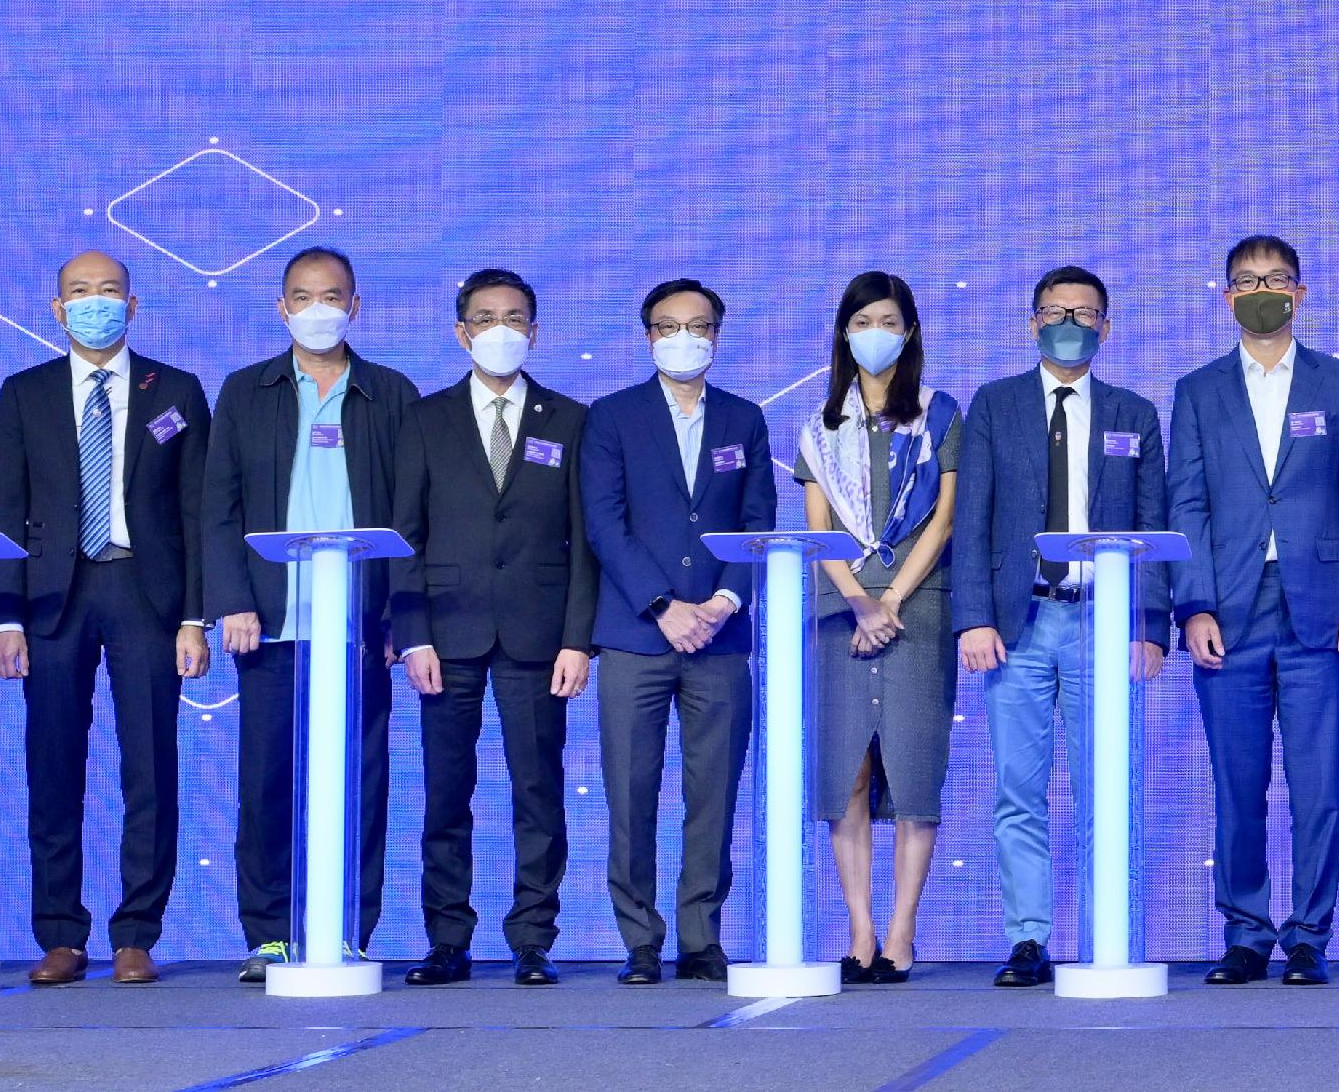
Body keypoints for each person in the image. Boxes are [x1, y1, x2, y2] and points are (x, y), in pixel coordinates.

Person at [0, 252, 209, 987]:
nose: (95, 303)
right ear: (57, 309)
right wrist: (3, 617)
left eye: (109, 291)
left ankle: (137, 932)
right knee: (52, 766)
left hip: (147, 591)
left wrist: (195, 616)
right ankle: (61, 933)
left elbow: (198, 511)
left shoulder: (175, 389)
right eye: (80, 292)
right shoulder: (25, 391)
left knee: (151, 765)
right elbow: (3, 507)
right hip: (53, 595)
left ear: (132, 305)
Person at [1163, 235, 1339, 987]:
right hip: (1228, 608)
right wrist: (1193, 604)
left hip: (1319, 607)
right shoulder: (1198, 389)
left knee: (1317, 786)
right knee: (1238, 784)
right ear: (1227, 296)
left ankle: (1310, 934)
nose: (1263, 291)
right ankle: (1246, 932)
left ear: (1300, 292)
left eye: (1276, 279)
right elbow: (1186, 503)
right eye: (1248, 281)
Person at [194, 245, 415, 981]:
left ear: (355, 306)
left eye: (332, 297)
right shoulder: (245, 390)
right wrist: (231, 599)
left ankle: (348, 929)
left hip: (359, 628)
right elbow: (218, 506)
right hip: (270, 622)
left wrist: (399, 616)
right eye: (303, 297)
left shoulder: (390, 392)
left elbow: (412, 512)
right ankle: (270, 933)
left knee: (362, 783)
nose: (318, 309)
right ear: (281, 307)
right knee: (267, 782)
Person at [952, 266, 1169, 989]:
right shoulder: (995, 403)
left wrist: (1151, 625)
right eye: (1055, 311)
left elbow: (1153, 526)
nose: (1069, 323)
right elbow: (972, 517)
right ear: (1032, 322)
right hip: (1017, 622)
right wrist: (973, 617)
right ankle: (1028, 937)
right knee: (1018, 789)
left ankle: (1110, 933)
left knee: (1106, 786)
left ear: (1106, 326)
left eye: (1084, 312)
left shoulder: (1134, 413)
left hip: (1103, 621)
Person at [384, 267, 593, 987]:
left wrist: (577, 638)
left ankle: (533, 937)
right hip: (446, 634)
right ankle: (447, 938)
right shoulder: (425, 417)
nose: (500, 330)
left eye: (514, 318)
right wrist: (412, 632)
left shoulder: (569, 419)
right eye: (484, 317)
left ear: (534, 331)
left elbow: (583, 541)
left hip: (539, 633)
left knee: (538, 790)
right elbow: (404, 535)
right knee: (446, 793)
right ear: (461, 332)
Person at [584, 277, 778, 984]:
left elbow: (758, 520)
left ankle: (701, 937)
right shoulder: (612, 416)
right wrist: (663, 605)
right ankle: (640, 939)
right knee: (630, 792)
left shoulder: (743, 419)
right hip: (637, 634)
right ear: (648, 336)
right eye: (669, 326)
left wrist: (724, 601)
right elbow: (605, 523)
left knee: (714, 792)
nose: (684, 338)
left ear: (717, 336)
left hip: (720, 638)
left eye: (698, 326)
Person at [793, 271, 960, 984]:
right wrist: (860, 602)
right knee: (848, 772)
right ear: (844, 332)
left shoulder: (938, 413)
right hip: (840, 609)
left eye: (888, 321)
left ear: (910, 330)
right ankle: (860, 930)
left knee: (915, 770)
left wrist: (888, 601)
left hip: (918, 605)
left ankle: (901, 930)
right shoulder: (820, 425)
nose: (875, 332)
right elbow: (817, 531)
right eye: (862, 321)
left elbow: (943, 519)